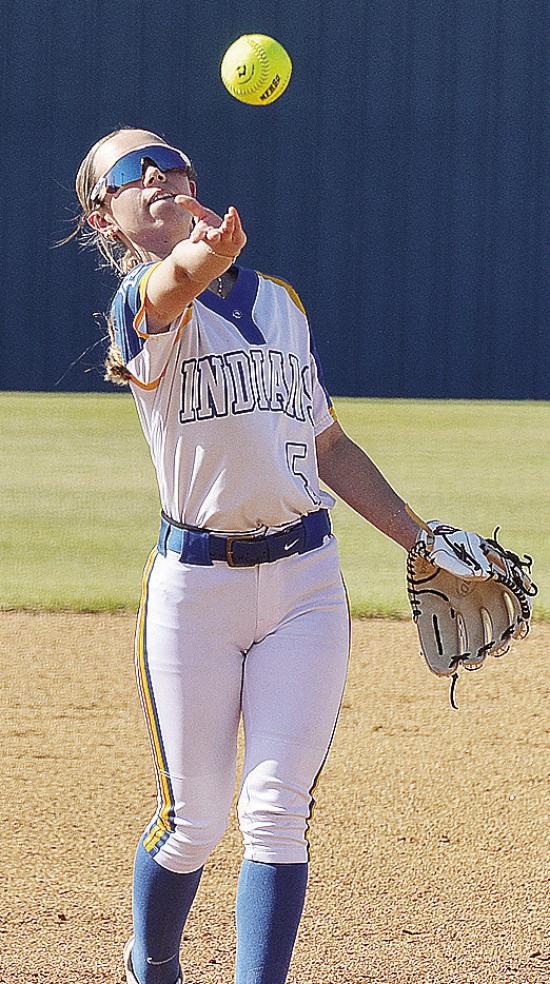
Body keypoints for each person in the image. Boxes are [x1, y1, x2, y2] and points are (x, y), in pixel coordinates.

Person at [70, 126, 422, 984]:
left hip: (305, 584)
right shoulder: (139, 311)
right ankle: (152, 962)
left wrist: (420, 540)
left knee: (276, 815)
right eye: (128, 170)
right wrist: (199, 254)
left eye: (168, 160)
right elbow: (171, 287)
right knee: (194, 822)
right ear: (106, 217)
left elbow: (328, 443)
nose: (155, 172)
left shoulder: (281, 303)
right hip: (195, 593)